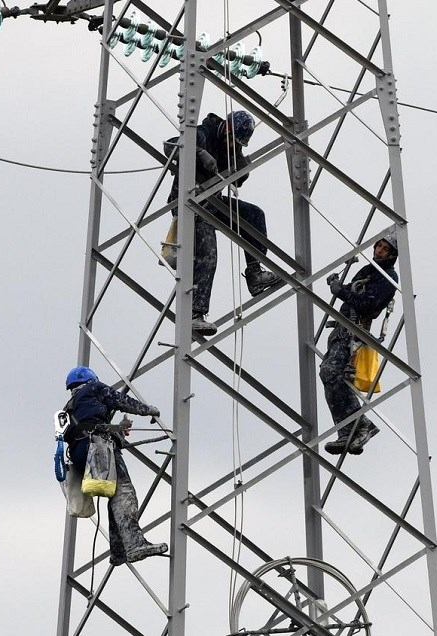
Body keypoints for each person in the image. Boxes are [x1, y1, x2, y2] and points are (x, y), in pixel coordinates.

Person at [165, 110, 280, 336]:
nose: (231, 145)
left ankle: (255, 274)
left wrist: (242, 169)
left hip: (212, 203)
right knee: (209, 254)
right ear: (227, 128)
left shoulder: (232, 146)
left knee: (254, 215)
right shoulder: (203, 133)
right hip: (190, 203)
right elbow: (170, 146)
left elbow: (235, 179)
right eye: (231, 140)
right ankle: (194, 314)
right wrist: (198, 152)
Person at [62, 365, 169, 565]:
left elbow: (89, 426)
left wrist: (118, 430)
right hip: (99, 449)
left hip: (80, 454)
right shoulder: (94, 389)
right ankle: (134, 545)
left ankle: (119, 551)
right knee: (124, 493)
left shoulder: (72, 405)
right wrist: (148, 410)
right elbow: (120, 400)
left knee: (114, 494)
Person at [320, 232, 399, 456]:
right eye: (378, 246)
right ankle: (348, 430)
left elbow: (368, 305)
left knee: (331, 372)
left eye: (384, 249)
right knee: (329, 376)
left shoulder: (388, 276)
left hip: (354, 333)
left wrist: (341, 291)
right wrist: (339, 284)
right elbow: (354, 292)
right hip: (342, 329)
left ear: (392, 254)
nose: (379, 251)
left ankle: (361, 424)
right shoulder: (367, 271)